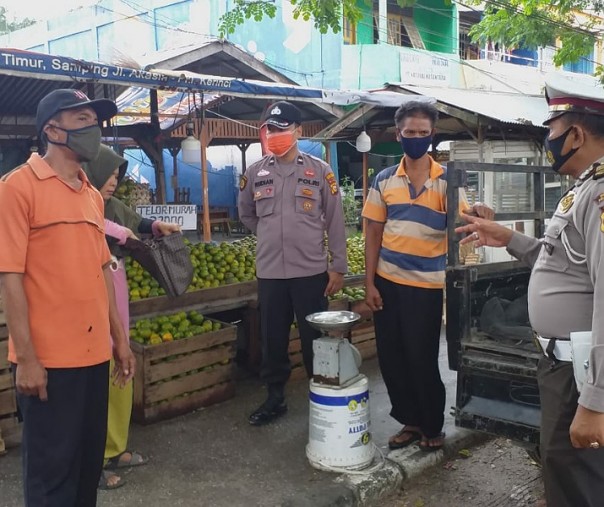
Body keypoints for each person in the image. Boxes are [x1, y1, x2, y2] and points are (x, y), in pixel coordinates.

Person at [455, 75, 604, 507]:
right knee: (566, 471)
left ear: (576, 134)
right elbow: (563, 263)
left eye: (552, 129)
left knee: (576, 478)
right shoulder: (582, 190)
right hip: (563, 366)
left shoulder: (598, 195)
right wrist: (507, 238)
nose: (548, 139)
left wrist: (595, 402)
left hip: (581, 374)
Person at [0, 89, 135, 506]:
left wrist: (120, 341)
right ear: (52, 130)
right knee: (50, 479)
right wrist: (28, 359)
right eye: (82, 120)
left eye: (95, 121)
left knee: (85, 471)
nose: (94, 130)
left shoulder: (91, 196)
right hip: (50, 365)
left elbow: (101, 272)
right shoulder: (18, 188)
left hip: (94, 357)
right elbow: (10, 278)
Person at [362, 101, 494, 451]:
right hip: (388, 282)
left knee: (421, 357)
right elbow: (373, 231)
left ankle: (432, 426)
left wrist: (479, 212)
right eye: (410, 133)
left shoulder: (447, 180)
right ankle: (410, 421)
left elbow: (464, 221)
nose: (416, 138)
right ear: (398, 134)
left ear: (432, 136)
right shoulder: (384, 179)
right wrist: (369, 282)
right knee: (391, 357)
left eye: (423, 133)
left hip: (425, 287)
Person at [238, 101, 347, 426]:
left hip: (311, 273)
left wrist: (338, 265)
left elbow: (335, 220)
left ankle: (322, 396)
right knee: (272, 338)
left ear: (298, 131)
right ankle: (275, 397)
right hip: (270, 273)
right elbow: (246, 213)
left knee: (315, 338)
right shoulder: (255, 172)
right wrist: (272, 234)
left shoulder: (320, 171)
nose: (275, 134)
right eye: (271, 129)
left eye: (282, 128)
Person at [84, 145, 180, 489]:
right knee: (94, 382)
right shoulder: (82, 205)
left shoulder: (112, 205)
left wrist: (157, 226)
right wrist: (127, 236)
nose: (114, 181)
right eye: (109, 174)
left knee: (120, 369)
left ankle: (115, 447)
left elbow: (135, 221)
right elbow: (109, 228)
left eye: (117, 175)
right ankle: (90, 464)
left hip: (117, 290)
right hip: (91, 297)